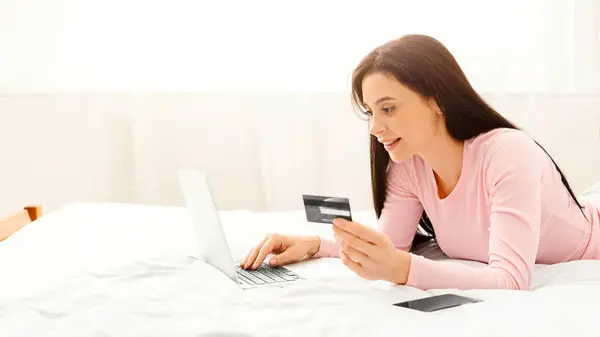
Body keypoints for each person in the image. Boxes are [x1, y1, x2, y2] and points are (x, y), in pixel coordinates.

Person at [240, 34, 600, 290]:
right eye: (370, 112)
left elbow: (510, 278)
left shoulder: (508, 152)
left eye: (389, 108)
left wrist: (405, 270)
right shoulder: (407, 167)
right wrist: (315, 244)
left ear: (437, 100)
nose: (376, 128)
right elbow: (390, 247)